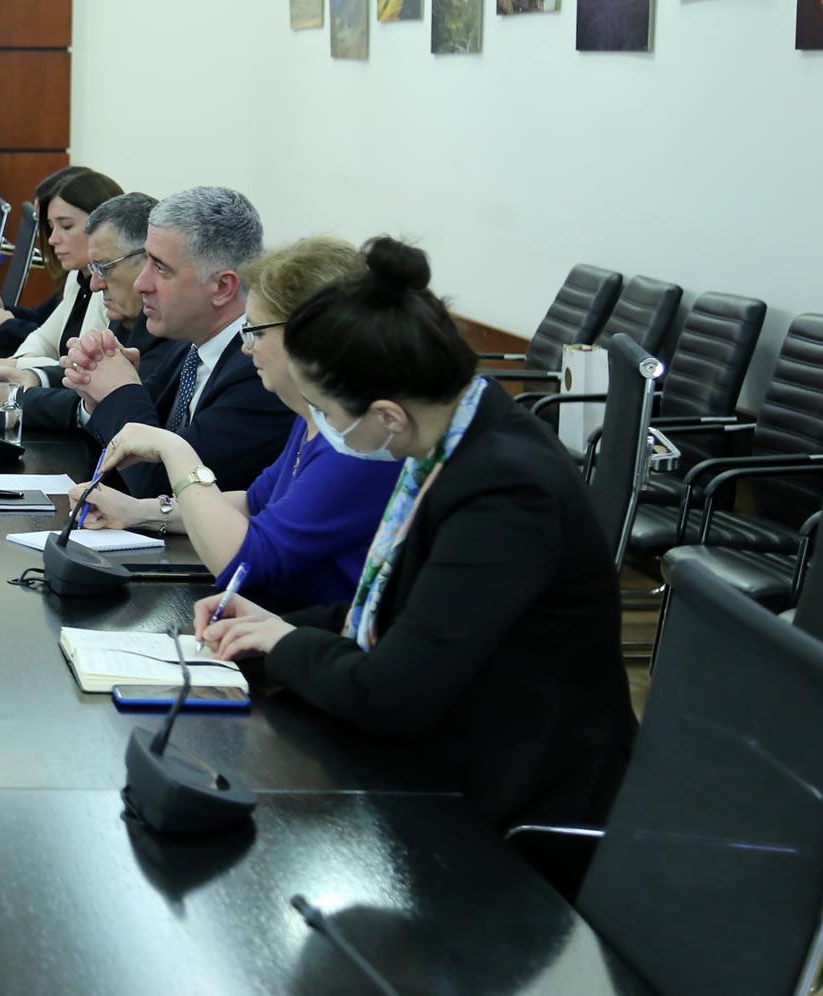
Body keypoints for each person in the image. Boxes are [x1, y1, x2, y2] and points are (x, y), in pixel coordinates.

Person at [195, 236, 637, 853]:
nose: (324, 430)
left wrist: (285, 643)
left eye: (326, 413)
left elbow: (389, 695)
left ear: (387, 416)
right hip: (453, 745)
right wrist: (270, 626)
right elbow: (403, 606)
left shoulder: (505, 493)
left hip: (514, 806)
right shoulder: (457, 433)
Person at [68, 237, 402, 611]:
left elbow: (245, 563)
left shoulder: (358, 444)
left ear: (310, 336)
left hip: (306, 630)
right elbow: (252, 503)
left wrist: (175, 450)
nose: (246, 347)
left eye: (256, 332)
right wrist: (137, 511)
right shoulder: (314, 417)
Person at [62, 185, 296, 494]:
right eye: (146, 261)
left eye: (160, 267)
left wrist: (120, 391)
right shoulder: (190, 345)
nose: (141, 283)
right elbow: (138, 428)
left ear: (222, 287)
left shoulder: (258, 369)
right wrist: (99, 395)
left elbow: (163, 484)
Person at [0, 193, 173, 433]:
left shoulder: (173, 332)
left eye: (104, 268)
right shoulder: (126, 314)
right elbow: (93, 380)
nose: (94, 285)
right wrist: (32, 377)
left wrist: (15, 402)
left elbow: (127, 410)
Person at [0, 167, 125, 360]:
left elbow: (84, 364)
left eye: (66, 226)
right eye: (50, 227)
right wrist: (10, 367)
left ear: (103, 225)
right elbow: (44, 339)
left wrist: (7, 325)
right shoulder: (76, 278)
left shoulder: (114, 289)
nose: (51, 239)